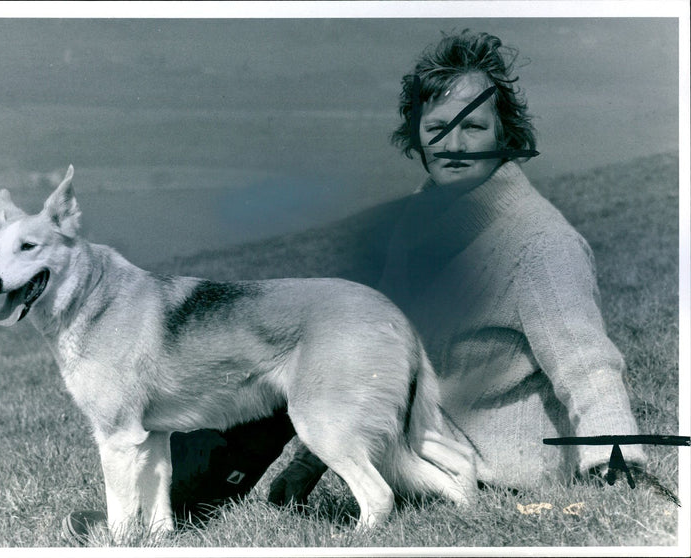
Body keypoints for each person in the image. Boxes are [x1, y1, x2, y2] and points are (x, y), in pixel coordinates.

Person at [269, 29, 651, 503]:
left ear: (504, 135)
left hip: (507, 478)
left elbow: (587, 366)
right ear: (418, 138)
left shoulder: (541, 244)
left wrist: (616, 468)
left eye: (474, 127)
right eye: (438, 128)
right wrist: (310, 462)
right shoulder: (420, 217)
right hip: (432, 452)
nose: (455, 144)